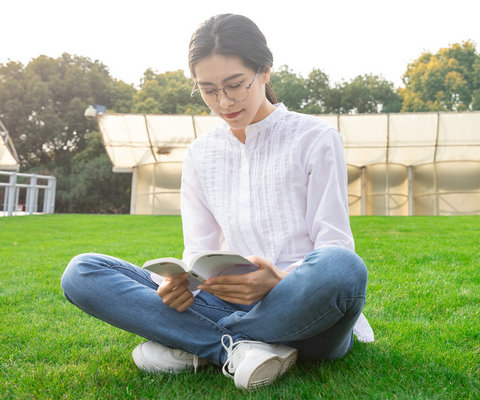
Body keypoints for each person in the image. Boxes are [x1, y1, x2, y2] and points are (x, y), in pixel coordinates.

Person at [61, 13, 372, 391]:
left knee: (342, 268)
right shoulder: (200, 155)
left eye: (235, 85)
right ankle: (234, 349)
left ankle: (195, 344)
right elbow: (198, 253)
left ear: (266, 72)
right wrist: (179, 284)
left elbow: (334, 245)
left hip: (302, 304)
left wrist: (277, 281)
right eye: (208, 90)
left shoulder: (315, 138)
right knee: (83, 272)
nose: (224, 102)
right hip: (224, 300)